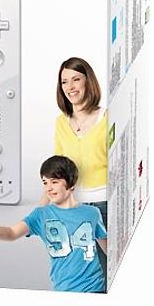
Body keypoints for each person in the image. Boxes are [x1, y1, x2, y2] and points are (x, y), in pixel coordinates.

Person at [0, 156, 107, 293]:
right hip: (63, 288)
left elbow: (107, 248)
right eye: (45, 182)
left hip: (95, 288)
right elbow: (12, 232)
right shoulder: (41, 215)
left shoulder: (92, 213)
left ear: (70, 183)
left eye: (54, 182)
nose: (48, 188)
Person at [46, 57, 108, 226]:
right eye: (64, 82)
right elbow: (57, 170)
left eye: (76, 79)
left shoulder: (107, 119)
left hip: (103, 203)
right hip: (72, 205)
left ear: (88, 81)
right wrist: (42, 209)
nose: (70, 87)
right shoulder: (61, 122)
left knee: (104, 245)